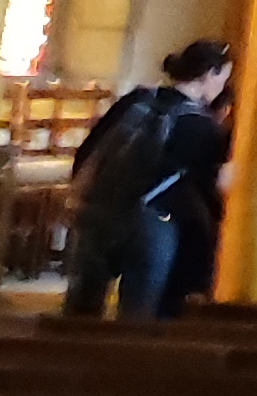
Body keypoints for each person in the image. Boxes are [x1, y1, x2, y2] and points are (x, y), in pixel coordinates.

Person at [61, 39, 232, 320]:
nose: (222, 87)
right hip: (150, 223)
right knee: (138, 317)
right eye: (223, 78)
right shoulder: (203, 126)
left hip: (98, 213)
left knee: (79, 314)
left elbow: (90, 149)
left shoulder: (137, 99)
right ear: (209, 74)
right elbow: (208, 189)